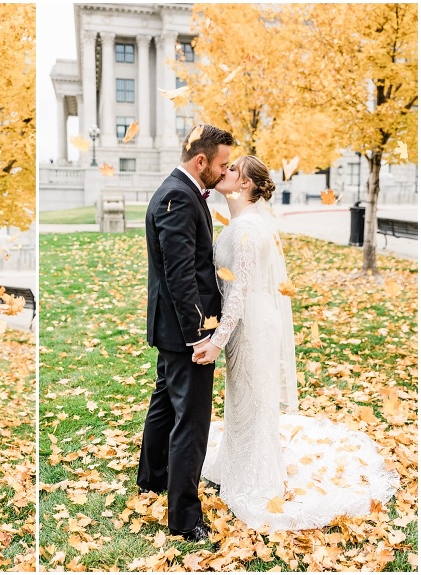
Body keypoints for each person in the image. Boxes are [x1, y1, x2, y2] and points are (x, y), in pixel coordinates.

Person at [194, 155, 399, 531]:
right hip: (245, 322)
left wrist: (217, 341)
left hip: (252, 324)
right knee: (242, 400)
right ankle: (238, 465)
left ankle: (258, 480)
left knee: (254, 401)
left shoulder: (247, 230)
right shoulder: (240, 222)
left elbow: (238, 293)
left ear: (246, 185)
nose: (225, 172)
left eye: (233, 170)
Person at [137, 124, 234, 543]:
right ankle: (184, 517)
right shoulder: (178, 198)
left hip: (170, 328)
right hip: (185, 332)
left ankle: (153, 477)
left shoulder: (178, 191)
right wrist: (200, 337)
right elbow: (180, 277)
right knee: (191, 422)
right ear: (201, 162)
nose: (225, 171)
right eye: (222, 165)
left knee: (164, 404)